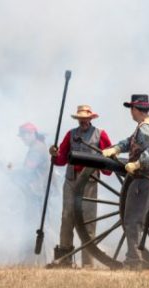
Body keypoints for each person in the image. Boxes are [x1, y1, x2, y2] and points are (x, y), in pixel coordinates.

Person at [101, 95, 149, 270]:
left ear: (136, 110)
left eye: (131, 108)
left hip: (145, 179)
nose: (130, 112)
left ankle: (133, 262)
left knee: (132, 220)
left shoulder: (145, 128)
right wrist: (116, 148)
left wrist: (137, 163)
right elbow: (131, 142)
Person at [48, 105, 112, 268]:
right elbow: (61, 159)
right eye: (80, 119)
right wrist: (54, 155)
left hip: (89, 181)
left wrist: (104, 168)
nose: (83, 121)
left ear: (91, 119)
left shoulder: (100, 134)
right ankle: (64, 258)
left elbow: (109, 158)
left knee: (88, 220)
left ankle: (88, 262)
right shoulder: (71, 134)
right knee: (67, 217)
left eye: (86, 118)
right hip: (71, 180)